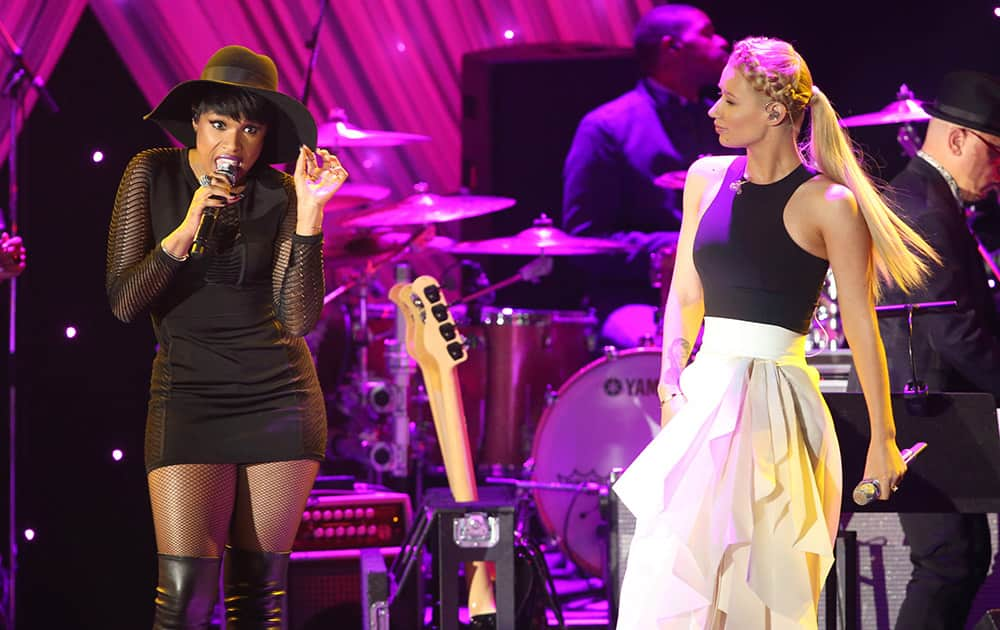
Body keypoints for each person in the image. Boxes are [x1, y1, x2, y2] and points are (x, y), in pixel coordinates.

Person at [611, 36, 939, 628]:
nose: (713, 110)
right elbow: (685, 294)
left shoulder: (830, 203)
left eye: (729, 101)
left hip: (777, 407)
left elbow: (863, 329)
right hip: (703, 396)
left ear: (774, 113)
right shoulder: (704, 178)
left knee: (757, 590)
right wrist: (669, 382)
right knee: (670, 588)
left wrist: (883, 440)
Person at [105, 45, 348, 628]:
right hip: (188, 395)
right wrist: (186, 227)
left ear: (267, 137)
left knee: (259, 599)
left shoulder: (284, 192)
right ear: (194, 121)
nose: (232, 146)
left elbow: (297, 319)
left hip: (279, 397)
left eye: (250, 129)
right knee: (184, 599)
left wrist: (312, 213)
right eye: (218, 124)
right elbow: (123, 302)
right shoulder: (151, 173)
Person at [847, 70, 1000, 630]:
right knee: (946, 562)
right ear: (958, 139)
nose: (999, 172)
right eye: (998, 153)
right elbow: (951, 331)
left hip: (935, 407)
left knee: (961, 560)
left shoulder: (928, 198)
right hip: (922, 409)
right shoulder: (922, 207)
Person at [561, 4, 729, 347]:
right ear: (671, 48)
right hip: (634, 298)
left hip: (723, 296)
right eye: (707, 34)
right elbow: (585, 238)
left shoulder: (721, 121)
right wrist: (665, 250)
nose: (723, 43)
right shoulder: (606, 127)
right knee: (671, 348)